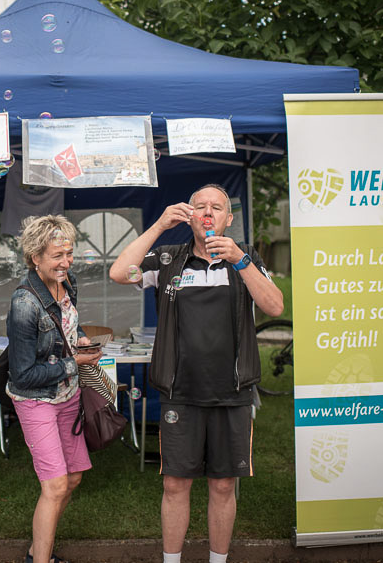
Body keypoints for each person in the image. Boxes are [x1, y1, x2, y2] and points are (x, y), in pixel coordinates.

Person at [109, 184, 283, 563]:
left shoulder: (245, 257)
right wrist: (159, 226)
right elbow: (119, 272)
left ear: (228, 219)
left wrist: (240, 260)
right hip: (180, 394)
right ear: (189, 216)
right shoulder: (168, 258)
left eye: (216, 207)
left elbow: (274, 306)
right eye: (199, 206)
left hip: (232, 393)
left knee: (223, 486)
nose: (207, 212)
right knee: (175, 485)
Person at [7, 215, 105, 563]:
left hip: (68, 395)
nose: (66, 262)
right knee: (55, 485)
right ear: (35, 257)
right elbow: (22, 375)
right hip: (36, 400)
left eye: (69, 253)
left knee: (73, 477)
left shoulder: (67, 283)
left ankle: (38, 549)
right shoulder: (24, 303)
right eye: (57, 255)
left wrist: (81, 340)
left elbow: (67, 326)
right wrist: (74, 363)